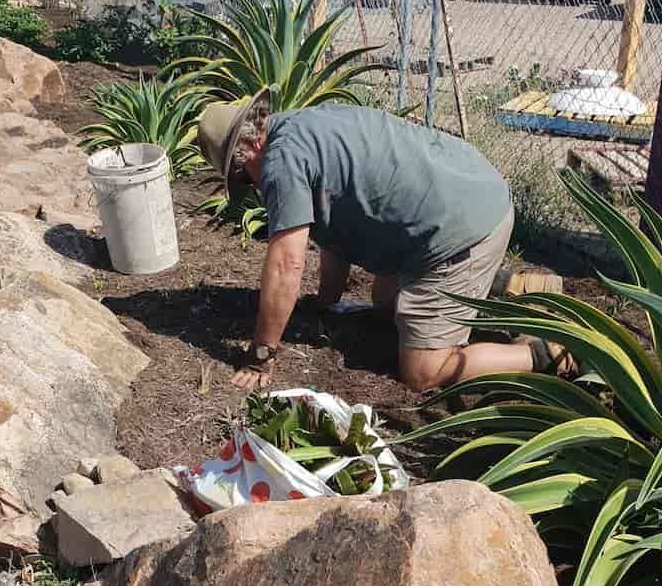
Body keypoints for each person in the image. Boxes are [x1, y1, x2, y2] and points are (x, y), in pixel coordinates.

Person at [197, 90, 575, 392]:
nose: (253, 187)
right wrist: (325, 305)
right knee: (385, 302)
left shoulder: (282, 162)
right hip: (475, 189)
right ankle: (515, 286)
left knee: (423, 372)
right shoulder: (307, 124)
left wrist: (262, 354)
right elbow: (335, 236)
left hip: (460, 231)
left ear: (247, 152)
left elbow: (286, 265)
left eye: (244, 178)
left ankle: (544, 354)